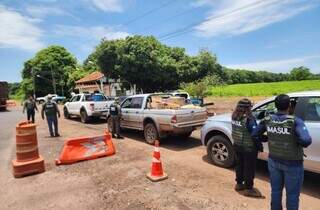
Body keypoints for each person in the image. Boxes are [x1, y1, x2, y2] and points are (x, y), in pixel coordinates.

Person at [252, 94, 312, 210]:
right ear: (289, 106)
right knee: (292, 195)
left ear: (276, 106)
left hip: (273, 160)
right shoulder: (295, 121)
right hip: (293, 163)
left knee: (276, 191)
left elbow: (255, 135)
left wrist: (267, 138)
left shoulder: (267, 120)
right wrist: (296, 141)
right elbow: (306, 140)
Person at [231, 98, 263, 198]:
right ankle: (248, 189)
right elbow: (254, 135)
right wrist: (260, 145)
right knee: (249, 168)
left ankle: (239, 184)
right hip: (248, 147)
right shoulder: (249, 118)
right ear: (248, 107)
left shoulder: (234, 116)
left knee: (239, 165)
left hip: (237, 145)